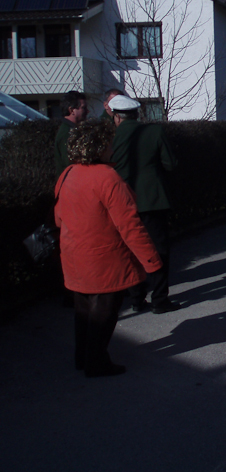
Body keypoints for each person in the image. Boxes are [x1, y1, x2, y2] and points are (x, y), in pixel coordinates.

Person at [55, 120, 162, 377]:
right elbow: (129, 225)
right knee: (103, 313)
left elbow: (59, 218)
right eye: (109, 143)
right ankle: (96, 362)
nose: (113, 148)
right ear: (100, 146)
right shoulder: (108, 178)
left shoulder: (68, 173)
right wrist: (152, 261)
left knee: (83, 311)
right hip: (104, 259)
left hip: (74, 255)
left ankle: (83, 357)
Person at [109, 95, 180, 314]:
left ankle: (136, 298)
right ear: (136, 114)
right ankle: (159, 298)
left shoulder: (111, 137)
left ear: (116, 117)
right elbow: (170, 164)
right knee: (159, 249)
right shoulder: (155, 132)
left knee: (130, 249)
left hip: (122, 201)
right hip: (152, 199)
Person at [54, 91, 88, 177]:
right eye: (83, 108)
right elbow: (70, 164)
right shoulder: (67, 133)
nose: (87, 111)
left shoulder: (73, 131)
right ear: (72, 110)